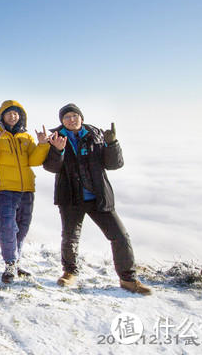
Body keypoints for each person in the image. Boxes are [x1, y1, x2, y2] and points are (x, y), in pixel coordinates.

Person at [42, 103, 152, 295]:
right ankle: (69, 272)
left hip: (98, 196)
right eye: (66, 117)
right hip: (70, 197)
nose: (71, 119)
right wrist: (57, 150)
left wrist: (112, 144)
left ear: (81, 118)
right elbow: (52, 168)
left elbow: (114, 164)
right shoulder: (55, 138)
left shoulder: (96, 136)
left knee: (120, 236)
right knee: (70, 238)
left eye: (74, 115)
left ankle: (128, 279)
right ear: (62, 121)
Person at [0, 100, 49, 283]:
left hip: (26, 188)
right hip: (4, 188)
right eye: (9, 113)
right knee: (8, 227)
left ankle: (16, 262)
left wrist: (42, 145)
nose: (13, 116)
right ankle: (9, 263)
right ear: (1, 115)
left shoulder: (26, 137)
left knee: (22, 227)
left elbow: (34, 161)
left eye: (16, 113)